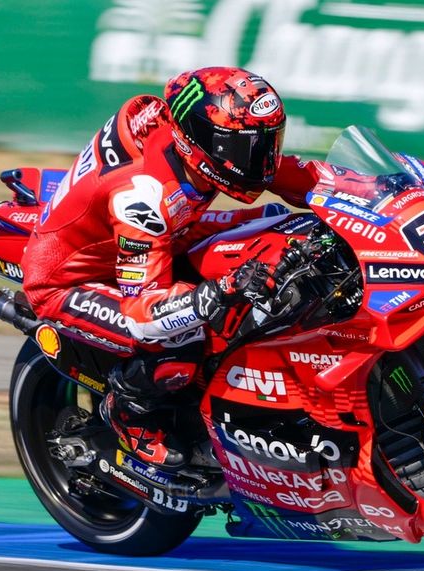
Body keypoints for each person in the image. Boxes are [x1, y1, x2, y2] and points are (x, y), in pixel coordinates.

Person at [20, 66, 320, 469]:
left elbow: (303, 179)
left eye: (267, 145)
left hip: (157, 238)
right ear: (198, 141)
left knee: (279, 226)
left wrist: (382, 192)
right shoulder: (143, 198)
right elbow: (144, 313)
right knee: (185, 333)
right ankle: (127, 412)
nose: (259, 162)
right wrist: (220, 290)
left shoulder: (202, 145)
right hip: (74, 279)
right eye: (244, 149)